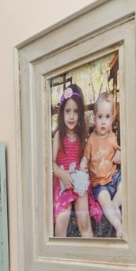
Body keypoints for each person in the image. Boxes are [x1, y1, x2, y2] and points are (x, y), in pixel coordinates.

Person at [50, 85, 92, 238]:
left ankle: (91, 247)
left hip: (78, 184)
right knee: (62, 220)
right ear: (62, 113)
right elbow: (51, 163)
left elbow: (86, 157)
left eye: (75, 111)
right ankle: (59, 251)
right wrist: (62, 174)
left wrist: (84, 164)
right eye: (68, 111)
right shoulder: (58, 136)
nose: (72, 116)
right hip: (63, 185)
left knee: (84, 221)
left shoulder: (81, 137)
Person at [85, 92, 123, 239]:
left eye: (107, 117)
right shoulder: (91, 140)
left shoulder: (112, 137)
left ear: (112, 120)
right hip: (99, 184)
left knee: (125, 184)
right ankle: (118, 226)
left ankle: (116, 203)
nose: (103, 121)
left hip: (113, 177)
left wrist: (120, 155)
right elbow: (85, 158)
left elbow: (119, 151)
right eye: (100, 117)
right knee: (104, 200)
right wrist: (82, 164)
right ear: (94, 119)